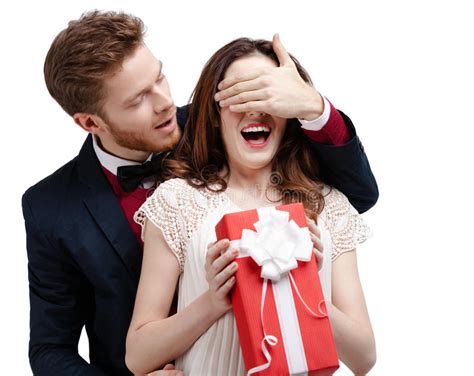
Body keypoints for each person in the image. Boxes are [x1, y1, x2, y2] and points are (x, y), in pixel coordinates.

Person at [22, 10, 377, 376]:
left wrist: (314, 107)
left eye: (159, 77)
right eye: (137, 99)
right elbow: (51, 348)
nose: (163, 103)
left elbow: (355, 194)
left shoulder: (224, 118)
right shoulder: (49, 208)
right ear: (90, 122)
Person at [126, 38, 376, 375]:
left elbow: (364, 358)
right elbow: (138, 356)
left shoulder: (328, 205)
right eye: (239, 95)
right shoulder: (177, 202)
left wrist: (308, 287)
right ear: (214, 115)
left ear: (290, 113)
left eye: (266, 94)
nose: (254, 108)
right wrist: (213, 301)